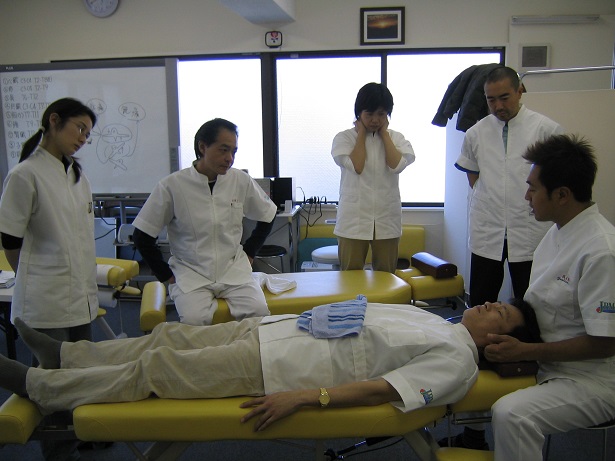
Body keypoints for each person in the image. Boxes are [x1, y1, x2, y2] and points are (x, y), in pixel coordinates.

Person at [0, 299, 540, 432]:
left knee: (159, 370)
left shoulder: (457, 362)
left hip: (277, 366)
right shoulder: (438, 319)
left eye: (499, 312)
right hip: (278, 329)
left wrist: (305, 398)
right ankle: (66, 355)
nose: (488, 303)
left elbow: (385, 389)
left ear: (498, 342)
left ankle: (43, 387)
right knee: (169, 335)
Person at [484, 134, 615, 461]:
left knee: (512, 415)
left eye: (533, 188)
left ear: (562, 195)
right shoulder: (557, 233)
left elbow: (605, 343)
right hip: (546, 360)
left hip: (592, 380)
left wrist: (525, 350)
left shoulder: (601, 251)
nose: (526, 196)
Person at [0, 97, 99, 460]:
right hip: (46, 296)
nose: (83, 138)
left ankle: (82, 432)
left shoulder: (76, 175)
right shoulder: (25, 174)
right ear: (54, 121)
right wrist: (31, 276)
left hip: (80, 293)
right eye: (79, 128)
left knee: (80, 369)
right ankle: (60, 452)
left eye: (87, 134)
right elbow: (10, 238)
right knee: (55, 379)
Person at [132, 118, 277, 326]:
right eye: (223, 150)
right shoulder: (172, 186)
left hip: (233, 269)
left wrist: (250, 251)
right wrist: (164, 274)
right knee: (194, 320)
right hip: (191, 272)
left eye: (234, 151)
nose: (229, 158)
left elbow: (268, 214)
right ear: (202, 147)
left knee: (258, 312)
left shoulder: (240, 180)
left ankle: (245, 348)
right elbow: (142, 236)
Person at [454, 66, 564, 308]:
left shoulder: (546, 130)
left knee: (533, 300)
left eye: (504, 98)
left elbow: (557, 180)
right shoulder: (476, 133)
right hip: (488, 228)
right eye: (491, 100)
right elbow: (473, 175)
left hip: (529, 227)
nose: (498, 106)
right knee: (482, 300)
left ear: (519, 91)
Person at [332, 82, 415, 273]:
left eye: (381, 114)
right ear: (359, 113)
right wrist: (361, 133)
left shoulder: (396, 138)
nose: (375, 120)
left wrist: (384, 134)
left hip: (387, 219)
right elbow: (357, 166)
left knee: (386, 279)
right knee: (350, 279)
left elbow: (396, 165)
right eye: (369, 114)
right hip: (353, 220)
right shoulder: (344, 138)